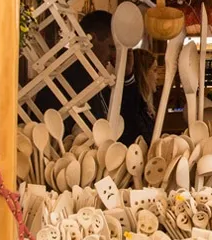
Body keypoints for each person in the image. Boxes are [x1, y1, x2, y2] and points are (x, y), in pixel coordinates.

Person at [35, 9, 151, 142]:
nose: (115, 56)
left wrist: (127, 76)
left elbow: (129, 118)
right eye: (112, 47)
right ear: (91, 40)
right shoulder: (68, 79)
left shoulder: (95, 77)